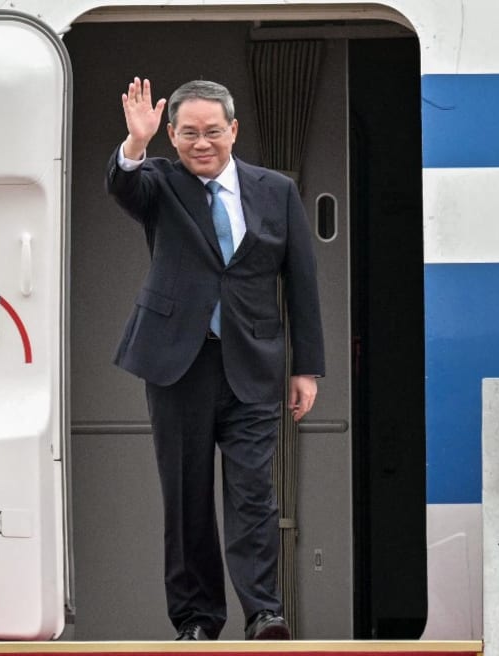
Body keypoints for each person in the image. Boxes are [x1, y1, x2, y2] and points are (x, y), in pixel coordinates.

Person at [106, 77, 325, 641]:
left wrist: (307, 367)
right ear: (172, 136)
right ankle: (198, 619)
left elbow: (300, 280)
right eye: (187, 133)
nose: (201, 143)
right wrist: (136, 144)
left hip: (253, 363)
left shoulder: (275, 190)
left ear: (233, 129)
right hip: (178, 363)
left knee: (254, 492)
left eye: (211, 131)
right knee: (187, 496)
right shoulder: (159, 181)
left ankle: (264, 612)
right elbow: (123, 186)